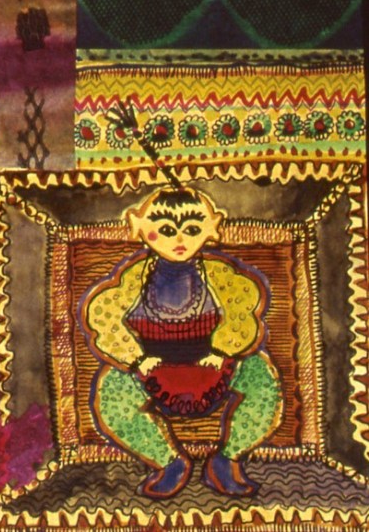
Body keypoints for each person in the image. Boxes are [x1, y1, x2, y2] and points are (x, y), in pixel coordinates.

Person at [79, 186, 283, 499]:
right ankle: (168, 462)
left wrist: (222, 350)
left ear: (213, 226)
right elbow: (104, 317)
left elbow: (242, 311)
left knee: (263, 379)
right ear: (138, 226)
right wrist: (135, 359)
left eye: (191, 229)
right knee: (111, 395)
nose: (179, 240)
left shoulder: (221, 275)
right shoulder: (132, 280)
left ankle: (227, 460)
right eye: (165, 230)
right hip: (150, 365)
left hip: (212, 361)